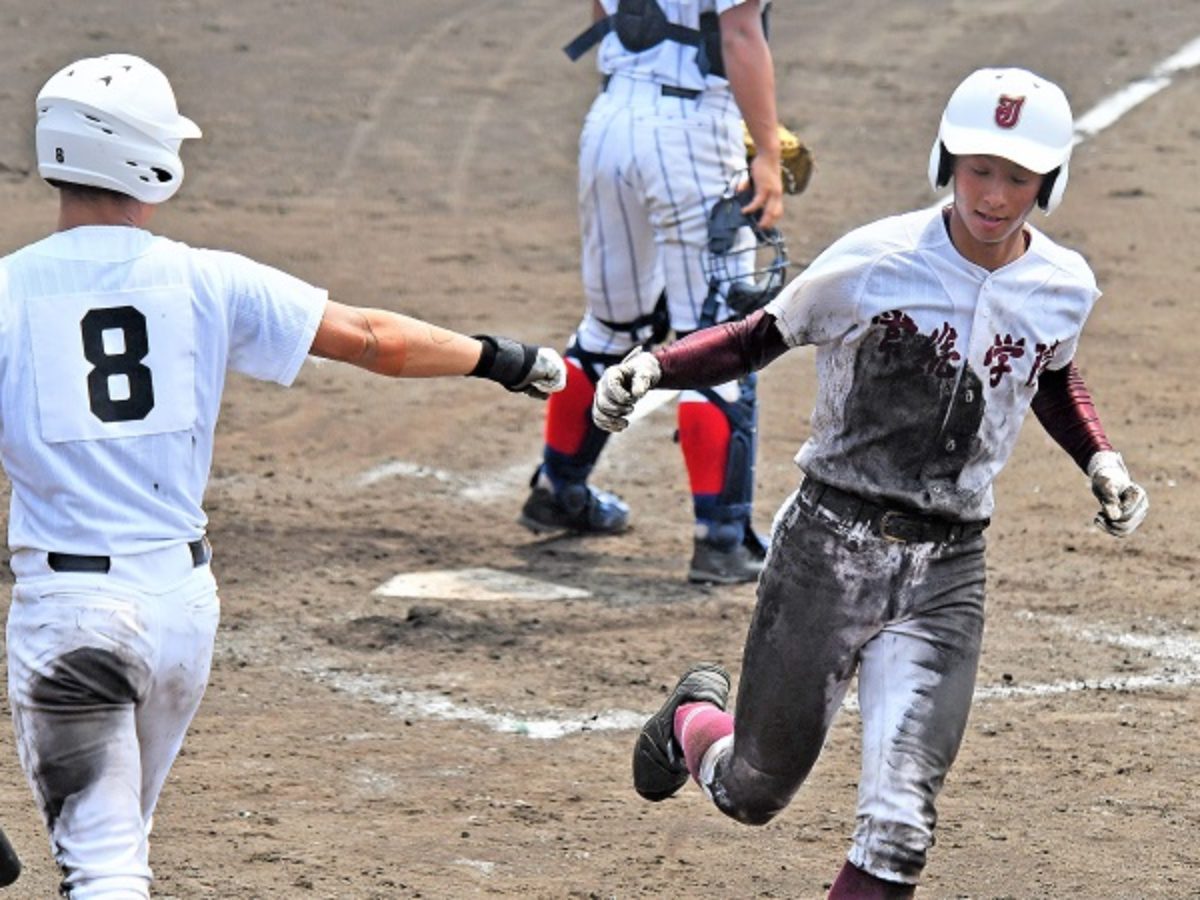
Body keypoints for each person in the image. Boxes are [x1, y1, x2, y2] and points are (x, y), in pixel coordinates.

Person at [0, 53, 566, 899]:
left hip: (73, 628)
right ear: (151, 158)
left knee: (106, 868)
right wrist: (505, 358)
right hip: (181, 615)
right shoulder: (206, 277)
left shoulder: (6, 294)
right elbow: (373, 337)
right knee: (118, 846)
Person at [593, 67, 1149, 897]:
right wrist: (653, 364)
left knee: (899, 829)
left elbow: (1054, 376)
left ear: (1050, 183)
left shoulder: (1062, 286)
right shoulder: (875, 261)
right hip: (829, 548)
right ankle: (693, 721)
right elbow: (757, 337)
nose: (995, 195)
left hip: (949, 571)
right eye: (979, 170)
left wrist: (1100, 457)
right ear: (945, 162)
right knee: (752, 792)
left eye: (1019, 177)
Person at [519, 0, 786, 584]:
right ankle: (722, 539)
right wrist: (766, 152)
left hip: (610, 120)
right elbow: (740, 33)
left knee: (612, 326)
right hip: (691, 131)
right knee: (717, 341)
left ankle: (557, 489)